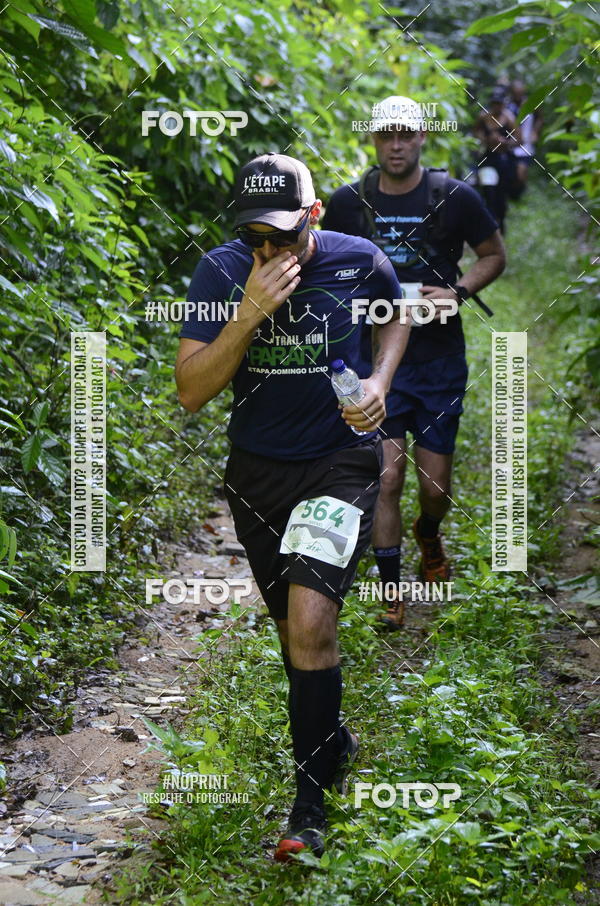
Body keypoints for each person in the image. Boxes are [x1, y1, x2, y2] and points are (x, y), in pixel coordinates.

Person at [175, 152, 410, 860]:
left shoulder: (359, 260)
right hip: (257, 474)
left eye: (283, 235)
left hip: (340, 463)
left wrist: (380, 379)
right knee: (291, 640)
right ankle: (331, 736)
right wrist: (248, 313)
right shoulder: (220, 273)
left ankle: (307, 808)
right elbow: (191, 391)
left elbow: (395, 318)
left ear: (312, 217)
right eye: (256, 238)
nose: (270, 252)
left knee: (312, 626)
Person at [322, 96, 506, 628]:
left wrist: (458, 291)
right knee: (387, 478)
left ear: (422, 136)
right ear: (373, 139)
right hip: (371, 362)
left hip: (438, 360)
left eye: (406, 134)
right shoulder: (348, 203)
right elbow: (323, 265)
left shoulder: (454, 197)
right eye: (386, 135)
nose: (396, 144)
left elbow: (494, 254)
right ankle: (391, 590)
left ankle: (429, 531)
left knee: (434, 485)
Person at [473, 87, 521, 232]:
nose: (496, 107)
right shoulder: (483, 117)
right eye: (494, 103)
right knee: (489, 190)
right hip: (488, 158)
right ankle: (490, 222)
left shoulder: (509, 118)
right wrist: (486, 140)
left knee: (501, 193)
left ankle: (501, 221)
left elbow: (519, 139)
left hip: (503, 160)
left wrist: (504, 143)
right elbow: (475, 133)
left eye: (499, 103)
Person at [507, 79, 542, 196]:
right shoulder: (507, 106)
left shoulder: (530, 104)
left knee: (521, 171)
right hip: (510, 144)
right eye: (516, 93)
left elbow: (540, 118)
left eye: (520, 93)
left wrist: (535, 132)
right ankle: (512, 193)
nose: (518, 95)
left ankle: (519, 192)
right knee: (512, 172)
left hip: (526, 144)